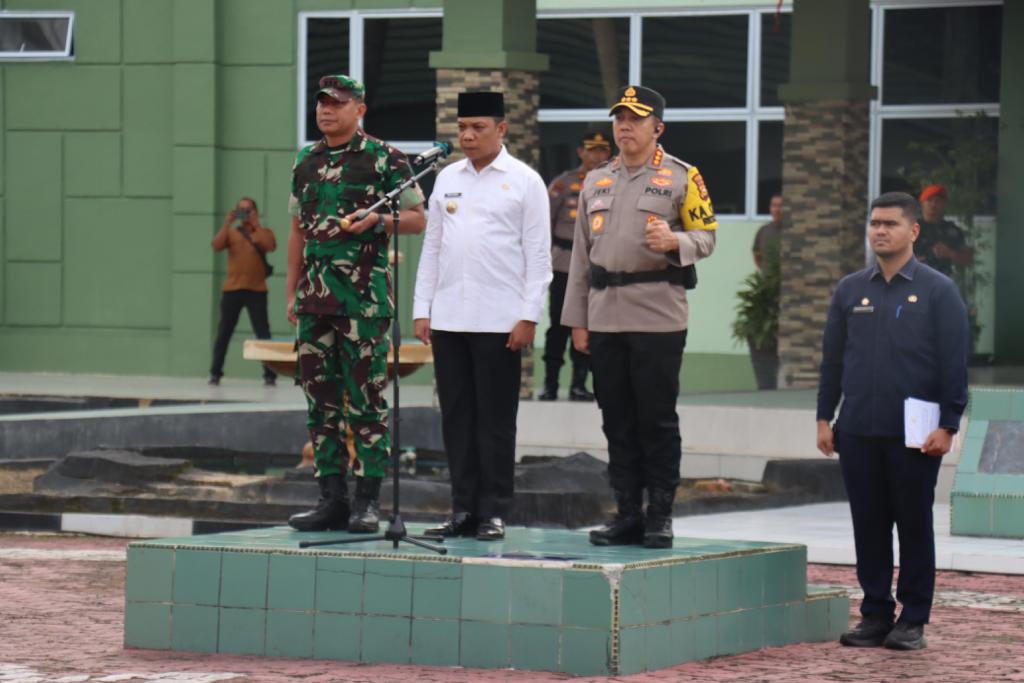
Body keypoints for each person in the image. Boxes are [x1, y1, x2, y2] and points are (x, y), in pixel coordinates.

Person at [562, 85, 718, 549]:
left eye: (635, 119)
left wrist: (677, 244)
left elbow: (706, 237)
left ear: (658, 128)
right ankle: (627, 512)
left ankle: (660, 515)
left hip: (657, 314)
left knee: (656, 419)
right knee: (616, 418)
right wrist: (577, 320)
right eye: (620, 119)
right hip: (604, 316)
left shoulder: (682, 177)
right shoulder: (597, 180)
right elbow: (580, 260)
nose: (625, 126)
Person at [816, 191, 969, 651]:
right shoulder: (850, 289)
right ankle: (875, 614)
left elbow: (953, 362)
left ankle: (913, 619)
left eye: (891, 224)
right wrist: (825, 417)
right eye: (875, 224)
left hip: (916, 434)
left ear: (913, 231)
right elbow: (832, 361)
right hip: (858, 428)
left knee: (913, 523)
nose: (880, 231)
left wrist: (949, 423)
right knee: (869, 524)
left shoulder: (938, 290)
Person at [285, 74, 426, 533]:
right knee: (319, 405)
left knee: (365, 403)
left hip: (363, 303)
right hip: (314, 300)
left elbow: (416, 219)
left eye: (338, 103)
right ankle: (331, 499)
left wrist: (377, 220)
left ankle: (367, 502)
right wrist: (292, 291)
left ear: (359, 110)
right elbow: (296, 231)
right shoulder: (307, 160)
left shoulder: (386, 158)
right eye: (322, 103)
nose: (327, 110)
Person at [413, 91, 552, 541]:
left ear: (502, 129)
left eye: (479, 128)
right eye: (463, 128)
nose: (468, 136)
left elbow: (538, 257)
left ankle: (493, 511)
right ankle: (462, 509)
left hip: (500, 321)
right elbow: (432, 248)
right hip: (450, 318)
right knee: (456, 417)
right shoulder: (448, 178)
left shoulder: (525, 181)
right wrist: (422, 308)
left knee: (494, 420)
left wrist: (528, 315)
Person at [538, 129, 612, 402]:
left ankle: (579, 384)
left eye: (602, 150)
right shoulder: (564, 183)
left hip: (596, 265)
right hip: (563, 263)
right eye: (591, 149)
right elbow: (544, 223)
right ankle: (550, 384)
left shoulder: (612, 183)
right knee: (558, 325)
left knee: (589, 325)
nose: (597, 155)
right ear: (580, 152)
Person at [209, 197, 277, 386]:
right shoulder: (231, 233)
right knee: (224, 331)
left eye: (248, 210)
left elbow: (270, 246)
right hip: (233, 289)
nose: (244, 213)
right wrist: (226, 223)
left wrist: (256, 224)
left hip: (257, 290)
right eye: (241, 209)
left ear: (255, 211)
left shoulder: (263, 232)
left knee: (263, 332)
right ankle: (215, 372)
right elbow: (216, 245)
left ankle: (270, 374)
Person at [913, 184, 972, 277]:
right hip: (916, 282)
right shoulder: (911, 229)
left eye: (937, 201)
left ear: (943, 204)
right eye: (929, 200)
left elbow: (967, 259)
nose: (933, 205)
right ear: (922, 203)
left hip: (942, 282)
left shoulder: (952, 230)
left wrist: (950, 253)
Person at [752, 194, 783, 271]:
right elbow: (756, 254)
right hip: (768, 280)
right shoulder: (763, 231)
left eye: (780, 206)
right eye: (774, 205)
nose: (777, 209)